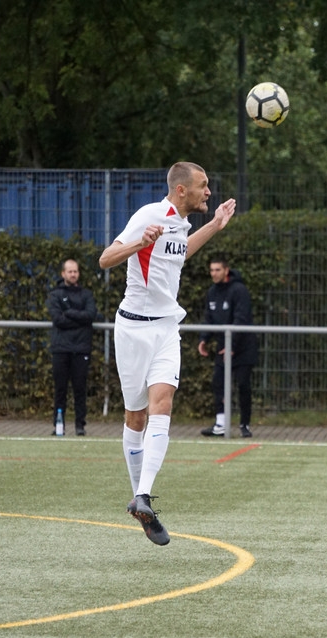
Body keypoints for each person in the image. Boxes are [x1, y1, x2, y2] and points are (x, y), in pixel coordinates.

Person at [99, 162, 236, 546]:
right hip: (131, 328)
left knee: (163, 403)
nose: (208, 192)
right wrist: (140, 243)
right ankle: (140, 500)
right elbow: (106, 259)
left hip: (165, 328)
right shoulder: (150, 215)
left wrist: (215, 226)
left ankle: (143, 497)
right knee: (135, 416)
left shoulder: (180, 223)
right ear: (181, 191)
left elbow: (179, 253)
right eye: (203, 186)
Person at [198, 256, 257, 438]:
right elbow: (209, 317)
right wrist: (204, 339)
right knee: (218, 383)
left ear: (226, 270)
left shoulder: (239, 290)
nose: (213, 273)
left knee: (243, 385)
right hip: (223, 348)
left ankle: (244, 425)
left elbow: (242, 319)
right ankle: (221, 424)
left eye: (217, 270)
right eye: (211, 270)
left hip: (243, 348)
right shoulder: (212, 292)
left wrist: (233, 346)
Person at [47, 259, 97, 436]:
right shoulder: (55, 295)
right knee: (60, 389)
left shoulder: (86, 295)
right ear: (63, 274)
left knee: (80, 388)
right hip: (60, 349)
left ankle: (80, 426)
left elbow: (90, 315)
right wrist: (78, 319)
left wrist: (69, 313)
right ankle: (58, 426)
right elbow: (57, 319)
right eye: (70, 271)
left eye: (75, 271)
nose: (73, 274)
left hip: (81, 348)